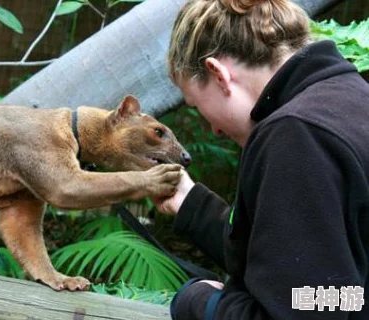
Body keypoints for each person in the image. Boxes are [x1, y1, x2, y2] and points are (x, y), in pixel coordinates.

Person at [153, 0, 369, 318]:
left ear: (218, 74)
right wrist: (190, 204)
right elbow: (343, 292)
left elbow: (309, 307)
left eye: (196, 104)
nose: (212, 128)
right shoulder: (349, 99)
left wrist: (200, 302)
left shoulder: (296, 135)